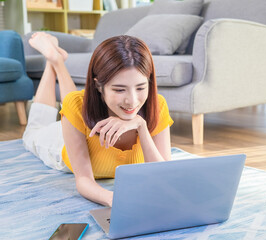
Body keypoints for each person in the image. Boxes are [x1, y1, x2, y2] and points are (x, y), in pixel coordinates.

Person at [22, 32, 173, 207]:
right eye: (119, 90)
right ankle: (54, 61)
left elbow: (163, 176)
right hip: (59, 145)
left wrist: (140, 125)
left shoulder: (157, 105)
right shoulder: (77, 106)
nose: (132, 101)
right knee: (34, 130)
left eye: (140, 87)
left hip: (82, 115)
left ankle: (55, 60)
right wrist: (114, 200)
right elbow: (84, 180)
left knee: (74, 103)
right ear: (98, 86)